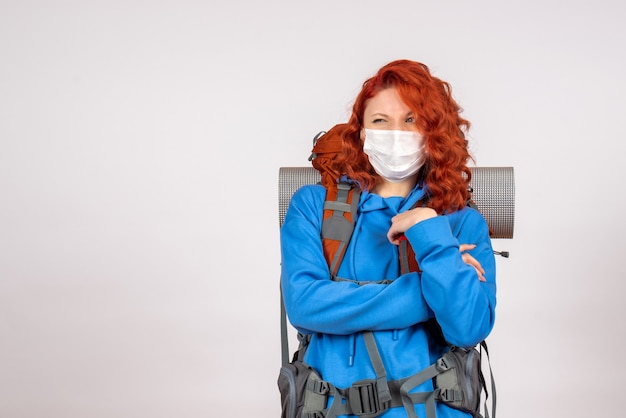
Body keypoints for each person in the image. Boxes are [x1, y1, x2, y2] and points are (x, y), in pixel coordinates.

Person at [280, 59, 496, 418]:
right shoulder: (312, 205)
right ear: (362, 134)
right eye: (380, 121)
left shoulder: (460, 222)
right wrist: (429, 289)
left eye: (411, 120)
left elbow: (468, 327)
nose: (396, 133)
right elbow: (305, 306)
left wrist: (427, 227)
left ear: (432, 133)